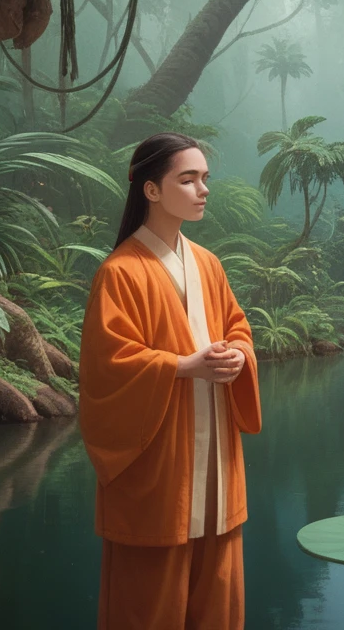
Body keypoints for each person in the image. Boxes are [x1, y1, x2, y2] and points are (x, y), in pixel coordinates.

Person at [78, 132, 262, 630]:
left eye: (205, 179)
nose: (203, 189)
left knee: (217, 596)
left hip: (216, 459)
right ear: (151, 190)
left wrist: (238, 358)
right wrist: (183, 366)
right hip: (158, 463)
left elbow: (238, 328)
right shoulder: (120, 272)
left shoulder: (209, 264)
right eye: (188, 179)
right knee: (148, 604)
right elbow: (107, 365)